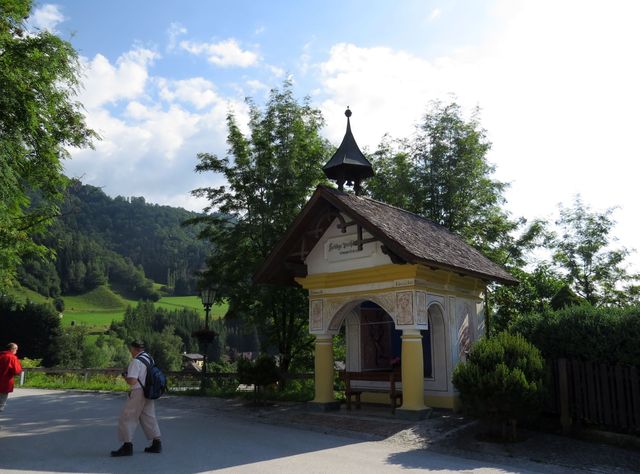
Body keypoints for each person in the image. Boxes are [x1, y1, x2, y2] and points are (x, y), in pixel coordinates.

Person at [111, 340, 162, 457]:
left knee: (128, 417)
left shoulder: (136, 361)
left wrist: (125, 377)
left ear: (134, 349)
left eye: (131, 349)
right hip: (149, 392)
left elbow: (132, 381)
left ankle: (127, 446)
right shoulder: (149, 358)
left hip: (138, 392)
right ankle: (156, 443)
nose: (130, 352)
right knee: (149, 417)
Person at [0, 343, 22, 413]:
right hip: (6, 380)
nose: (16, 351)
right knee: (3, 394)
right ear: (12, 349)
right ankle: (1, 407)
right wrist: (18, 373)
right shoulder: (12, 357)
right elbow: (16, 370)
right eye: (16, 349)